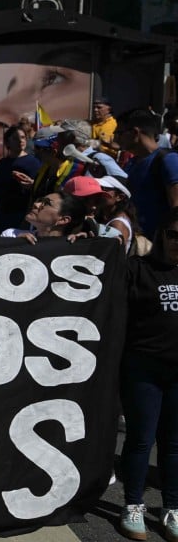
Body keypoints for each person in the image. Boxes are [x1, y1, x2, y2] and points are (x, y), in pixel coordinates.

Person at [119, 206, 178, 541]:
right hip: (143, 369)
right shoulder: (138, 269)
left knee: (174, 444)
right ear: (162, 235)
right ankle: (133, 504)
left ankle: (172, 507)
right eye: (174, 235)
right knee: (141, 440)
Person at [120, 108, 178, 238]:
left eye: (119, 133)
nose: (115, 138)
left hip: (159, 243)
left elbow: (176, 209)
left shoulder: (169, 160)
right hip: (138, 240)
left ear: (135, 132)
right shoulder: (131, 163)